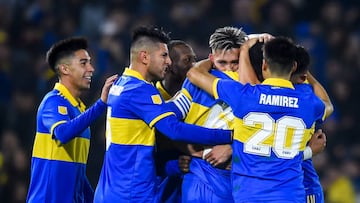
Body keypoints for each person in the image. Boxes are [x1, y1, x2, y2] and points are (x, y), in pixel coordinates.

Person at [93, 26, 233, 202]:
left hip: (112, 187)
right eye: (164, 55)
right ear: (144, 57)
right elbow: (173, 129)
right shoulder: (140, 90)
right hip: (130, 191)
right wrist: (230, 136)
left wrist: (189, 89)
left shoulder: (123, 84)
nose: (168, 62)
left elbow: (170, 110)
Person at [187, 37, 333, 202]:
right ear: (294, 67)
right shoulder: (307, 102)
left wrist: (242, 49)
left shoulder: (244, 95)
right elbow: (328, 105)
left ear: (265, 65)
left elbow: (194, 74)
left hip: (249, 195)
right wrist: (306, 72)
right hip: (290, 195)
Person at [26, 37, 118, 203]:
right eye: (83, 63)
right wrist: (101, 104)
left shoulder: (79, 109)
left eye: (90, 63)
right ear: (65, 68)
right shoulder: (53, 101)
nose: (91, 69)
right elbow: (62, 133)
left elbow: (77, 172)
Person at [154, 40, 197, 203]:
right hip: (160, 184)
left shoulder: (197, 95)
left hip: (191, 180)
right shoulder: (152, 99)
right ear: (170, 65)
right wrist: (173, 165)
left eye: (195, 59)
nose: (194, 65)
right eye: (188, 60)